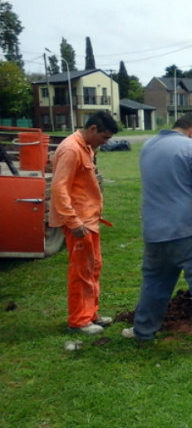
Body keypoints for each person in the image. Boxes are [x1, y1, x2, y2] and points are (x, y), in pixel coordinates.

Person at [122, 113, 192, 354]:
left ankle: (143, 332)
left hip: (155, 232)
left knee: (154, 285)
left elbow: (176, 167)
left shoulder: (149, 145)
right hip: (189, 231)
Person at [49, 110, 119, 335]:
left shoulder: (86, 147)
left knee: (93, 267)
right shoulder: (71, 149)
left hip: (90, 220)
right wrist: (72, 221)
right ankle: (79, 320)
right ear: (92, 129)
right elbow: (59, 188)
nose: (105, 143)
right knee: (81, 271)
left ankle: (91, 314)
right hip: (79, 222)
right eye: (104, 137)